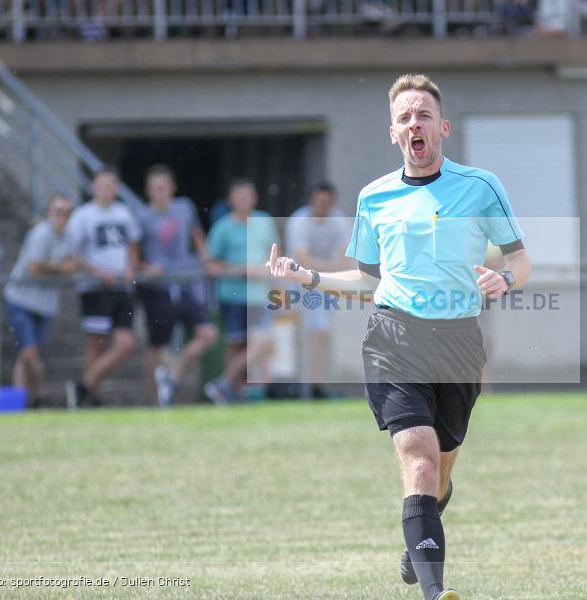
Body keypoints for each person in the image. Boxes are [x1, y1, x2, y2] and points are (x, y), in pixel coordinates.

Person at [266, 73, 531, 600]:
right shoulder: (374, 196)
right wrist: (308, 278)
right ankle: (435, 592)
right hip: (394, 337)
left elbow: (521, 261)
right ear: (393, 132)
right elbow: (369, 279)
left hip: (458, 342)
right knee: (419, 457)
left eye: (424, 115)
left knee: (440, 471)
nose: (415, 123)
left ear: (442, 128)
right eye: (406, 116)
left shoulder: (480, 186)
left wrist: (503, 277)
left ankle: (418, 540)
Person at [136, 164, 218, 406]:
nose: (159, 192)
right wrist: (145, 267)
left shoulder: (184, 208)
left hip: (186, 283)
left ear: (172, 188)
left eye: (163, 187)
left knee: (208, 334)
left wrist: (206, 258)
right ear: (148, 191)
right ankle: (156, 401)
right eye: (154, 188)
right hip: (159, 288)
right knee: (156, 346)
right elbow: (133, 253)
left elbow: (196, 234)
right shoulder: (142, 217)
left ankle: (173, 374)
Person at [65, 167, 141, 408]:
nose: (106, 190)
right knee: (95, 346)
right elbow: (73, 256)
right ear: (93, 187)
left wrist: (131, 267)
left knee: (125, 344)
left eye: (111, 185)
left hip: (121, 287)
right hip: (96, 288)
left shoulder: (124, 213)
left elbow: (133, 246)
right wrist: (99, 272)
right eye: (101, 185)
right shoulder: (83, 216)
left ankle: (83, 386)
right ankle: (91, 397)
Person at [204, 178, 280, 404]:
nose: (244, 199)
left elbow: (275, 253)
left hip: (260, 295)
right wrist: (241, 270)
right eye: (239, 195)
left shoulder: (265, 221)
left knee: (261, 342)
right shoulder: (222, 226)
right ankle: (231, 393)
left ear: (254, 197)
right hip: (232, 295)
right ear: (230, 199)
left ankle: (223, 383)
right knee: (236, 345)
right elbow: (210, 262)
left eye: (248, 195)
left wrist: (269, 274)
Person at [4, 195, 77, 407]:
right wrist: (60, 268)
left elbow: (72, 267)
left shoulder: (70, 236)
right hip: (20, 299)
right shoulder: (41, 234)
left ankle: (20, 402)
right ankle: (41, 395)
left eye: (67, 213)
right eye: (58, 211)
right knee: (30, 353)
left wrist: (54, 268)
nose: (63, 217)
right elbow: (34, 268)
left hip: (45, 305)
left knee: (25, 356)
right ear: (49, 213)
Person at [285, 182, 353, 398]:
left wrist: (324, 272)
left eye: (327, 201)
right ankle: (305, 386)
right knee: (303, 335)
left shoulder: (339, 221)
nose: (323, 205)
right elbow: (302, 259)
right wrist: (329, 269)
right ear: (311, 200)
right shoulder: (299, 221)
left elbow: (346, 259)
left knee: (323, 333)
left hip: (327, 283)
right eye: (319, 200)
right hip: (298, 283)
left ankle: (319, 385)